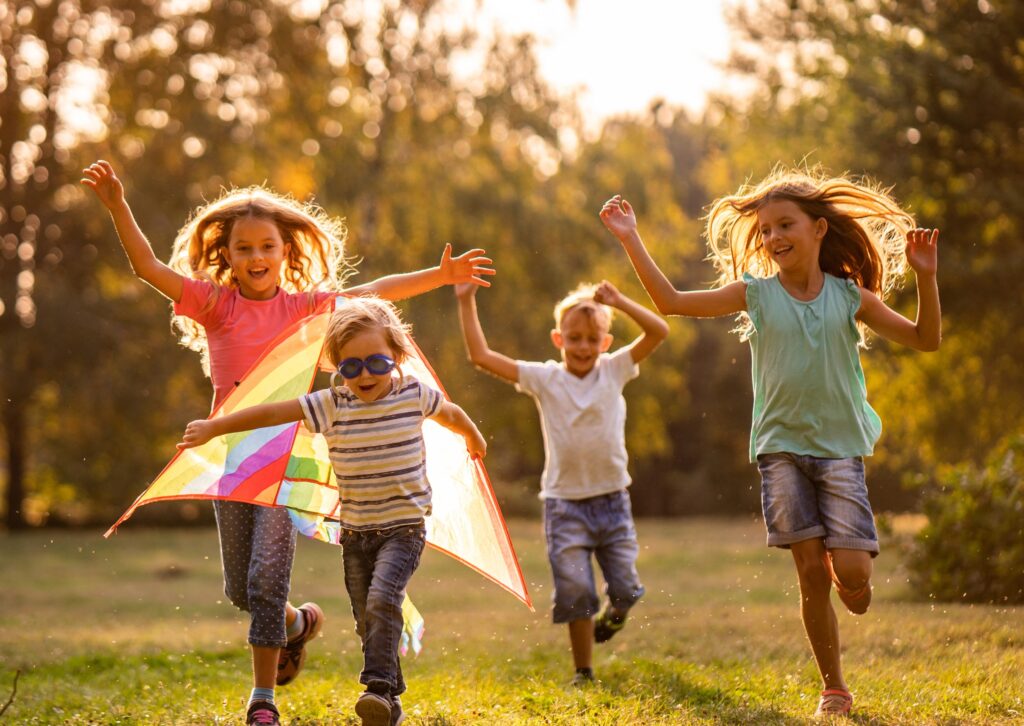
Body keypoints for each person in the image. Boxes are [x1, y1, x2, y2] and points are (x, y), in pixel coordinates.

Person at [81, 160, 494, 726]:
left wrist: (439, 277)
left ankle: (263, 699)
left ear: (284, 251)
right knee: (240, 589)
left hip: (287, 461)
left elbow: (374, 291)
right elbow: (148, 266)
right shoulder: (215, 305)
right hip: (232, 461)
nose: (256, 258)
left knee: (266, 579)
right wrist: (116, 206)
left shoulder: (305, 310)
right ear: (226, 254)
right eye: (243, 248)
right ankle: (300, 625)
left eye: (267, 247)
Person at [599, 167, 941, 718]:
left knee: (852, 578)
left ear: (819, 230)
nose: (774, 237)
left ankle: (849, 579)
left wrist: (925, 276)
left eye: (786, 224)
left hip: (839, 451)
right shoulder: (755, 295)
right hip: (780, 450)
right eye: (765, 230)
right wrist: (629, 236)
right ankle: (834, 688)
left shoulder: (848, 297)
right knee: (810, 573)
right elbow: (671, 301)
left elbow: (927, 340)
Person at [178, 296, 487, 726]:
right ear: (337, 368)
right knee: (367, 619)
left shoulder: (414, 394)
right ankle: (390, 703)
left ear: (397, 357)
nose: (365, 375)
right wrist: (216, 426)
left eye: (377, 363)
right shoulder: (332, 404)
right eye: (351, 366)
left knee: (383, 599)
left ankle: (376, 688)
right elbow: (272, 412)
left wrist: (472, 436)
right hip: (357, 535)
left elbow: (450, 412)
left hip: (403, 530)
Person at [455, 279, 668, 687]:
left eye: (592, 339)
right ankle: (584, 671)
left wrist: (620, 301)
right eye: (574, 338)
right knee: (575, 591)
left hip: (612, 501)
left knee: (625, 588)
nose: (584, 347)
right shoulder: (545, 378)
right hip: (563, 505)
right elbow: (481, 356)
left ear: (606, 341)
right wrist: (466, 300)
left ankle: (617, 613)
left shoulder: (615, 369)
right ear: (558, 338)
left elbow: (659, 331)